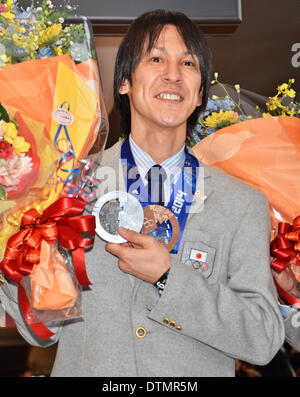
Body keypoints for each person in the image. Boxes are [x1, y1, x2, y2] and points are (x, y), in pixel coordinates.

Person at [0, 9, 284, 377]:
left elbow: (262, 340)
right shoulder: (68, 187)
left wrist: (170, 277)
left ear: (199, 94)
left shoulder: (242, 203)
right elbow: (42, 332)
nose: (173, 74)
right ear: (123, 82)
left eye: (188, 63)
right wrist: (15, 238)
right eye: (156, 58)